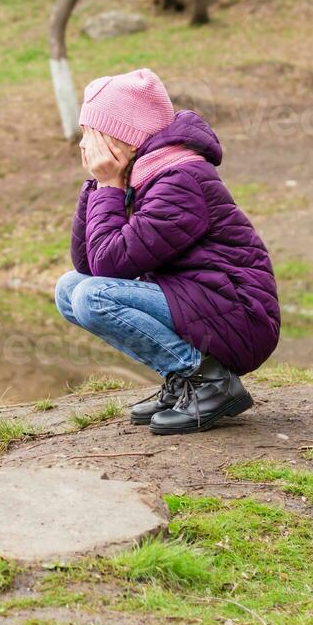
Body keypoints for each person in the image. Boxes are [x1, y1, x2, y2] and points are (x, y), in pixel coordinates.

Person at [55, 68, 280, 435]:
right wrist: (99, 185)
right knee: (70, 288)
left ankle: (208, 381)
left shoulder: (180, 180)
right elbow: (88, 262)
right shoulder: (145, 175)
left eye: (93, 134)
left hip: (240, 315)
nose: (85, 145)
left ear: (127, 136)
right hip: (201, 302)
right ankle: (183, 381)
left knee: (91, 298)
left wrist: (109, 183)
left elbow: (108, 264)